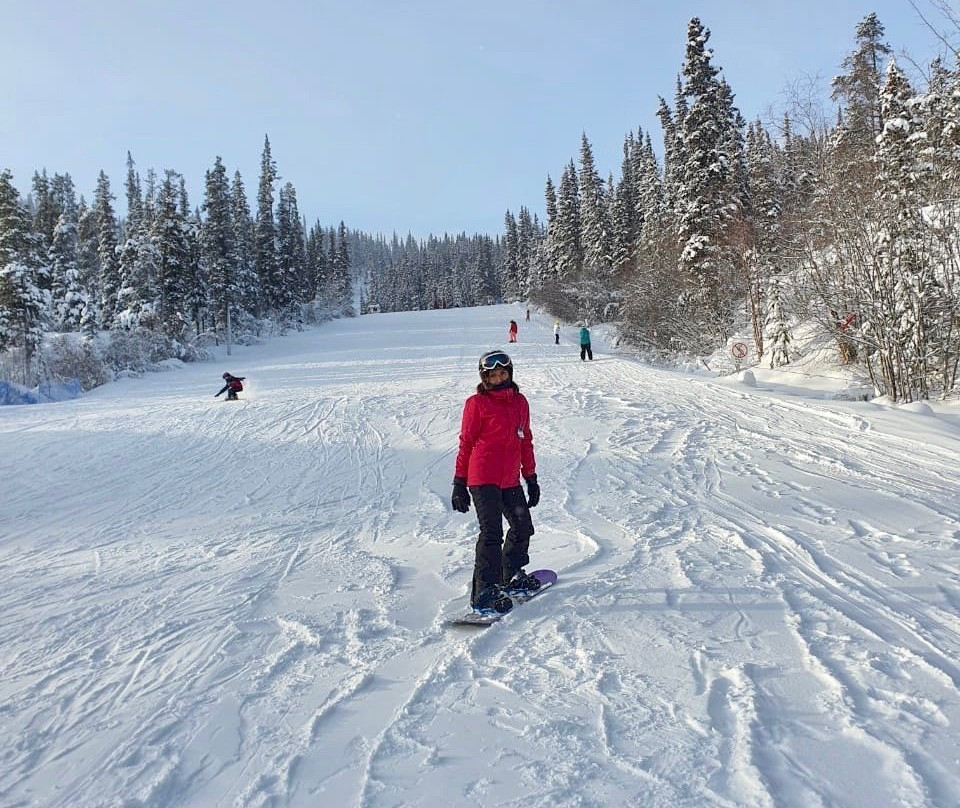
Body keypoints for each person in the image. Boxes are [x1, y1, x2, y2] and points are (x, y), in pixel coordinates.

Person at [451, 350, 541, 614]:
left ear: (510, 373)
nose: (499, 378)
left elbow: (525, 440)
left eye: (503, 373)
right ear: (485, 378)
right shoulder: (476, 403)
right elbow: (466, 443)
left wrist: (531, 477)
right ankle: (483, 590)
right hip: (483, 477)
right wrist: (459, 482)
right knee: (491, 533)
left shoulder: (521, 402)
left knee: (522, 526)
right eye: (492, 375)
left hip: (510, 478)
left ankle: (509, 572)